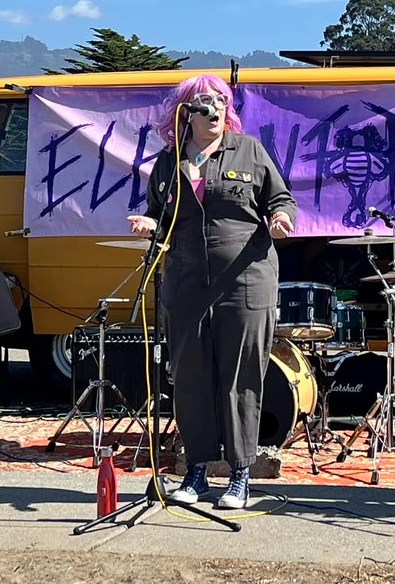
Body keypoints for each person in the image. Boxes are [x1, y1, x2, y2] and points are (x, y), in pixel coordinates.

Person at [127, 74, 297, 510]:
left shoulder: (249, 151)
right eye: (206, 105)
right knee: (190, 375)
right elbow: (159, 215)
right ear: (185, 113)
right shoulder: (168, 161)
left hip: (245, 278)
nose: (216, 112)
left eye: (222, 103)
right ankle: (197, 470)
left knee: (240, 374)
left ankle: (240, 473)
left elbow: (281, 199)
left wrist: (279, 218)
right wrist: (150, 224)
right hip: (185, 279)